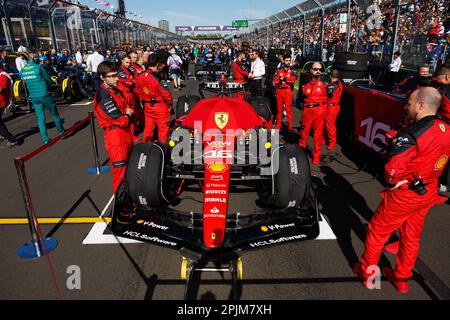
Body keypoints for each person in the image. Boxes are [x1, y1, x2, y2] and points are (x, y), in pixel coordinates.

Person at [353, 87, 450, 294]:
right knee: (411, 236)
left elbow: (391, 170)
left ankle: (368, 275)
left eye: (410, 103)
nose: (407, 107)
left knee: (377, 232)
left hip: (405, 193)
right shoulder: (446, 128)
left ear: (421, 105)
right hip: (428, 190)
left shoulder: (413, 133)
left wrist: (393, 181)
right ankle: (402, 278)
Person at [94, 61, 134, 193]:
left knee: (129, 172)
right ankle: (120, 209)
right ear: (102, 77)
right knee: (120, 176)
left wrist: (127, 114)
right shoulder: (103, 96)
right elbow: (122, 120)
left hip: (125, 135)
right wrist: (128, 115)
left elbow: (127, 106)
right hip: (116, 138)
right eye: (111, 76)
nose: (116, 78)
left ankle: (128, 203)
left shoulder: (114, 89)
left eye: (116, 75)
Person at [19, 53, 64, 144]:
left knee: (40, 118)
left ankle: (45, 139)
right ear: (34, 59)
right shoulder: (39, 67)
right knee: (54, 114)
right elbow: (48, 79)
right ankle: (61, 131)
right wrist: (55, 79)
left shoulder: (22, 71)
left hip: (34, 97)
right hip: (45, 94)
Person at [134, 55, 173, 144]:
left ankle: (145, 148)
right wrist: (169, 104)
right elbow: (166, 94)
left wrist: (143, 99)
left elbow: (137, 90)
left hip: (147, 106)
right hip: (160, 106)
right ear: (158, 65)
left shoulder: (140, 76)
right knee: (163, 130)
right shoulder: (158, 78)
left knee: (148, 129)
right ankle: (162, 150)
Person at [298, 62, 328, 165]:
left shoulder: (325, 85)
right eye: (315, 69)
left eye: (319, 69)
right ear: (311, 70)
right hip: (308, 111)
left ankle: (316, 155)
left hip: (319, 111)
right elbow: (302, 97)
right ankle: (300, 153)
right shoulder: (306, 85)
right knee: (303, 133)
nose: (318, 71)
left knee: (317, 135)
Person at [273, 54, 296, 131]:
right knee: (279, 109)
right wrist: (279, 80)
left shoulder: (293, 70)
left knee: (288, 109)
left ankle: (290, 125)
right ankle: (279, 124)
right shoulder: (278, 69)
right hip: (279, 90)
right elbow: (275, 80)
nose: (288, 62)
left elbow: (293, 80)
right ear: (283, 61)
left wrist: (285, 79)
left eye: (289, 60)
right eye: (286, 60)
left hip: (288, 90)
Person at [325, 69, 343, 152]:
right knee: (326, 123)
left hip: (332, 107)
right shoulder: (339, 83)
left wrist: (325, 86)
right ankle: (326, 139)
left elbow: (328, 94)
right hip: (333, 106)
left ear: (330, 76)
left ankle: (332, 142)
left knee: (330, 125)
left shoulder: (333, 85)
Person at [0, 67, 18, 147]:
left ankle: (12, 139)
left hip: (2, 101)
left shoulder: (3, 75)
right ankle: (4, 135)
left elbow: (1, 89)